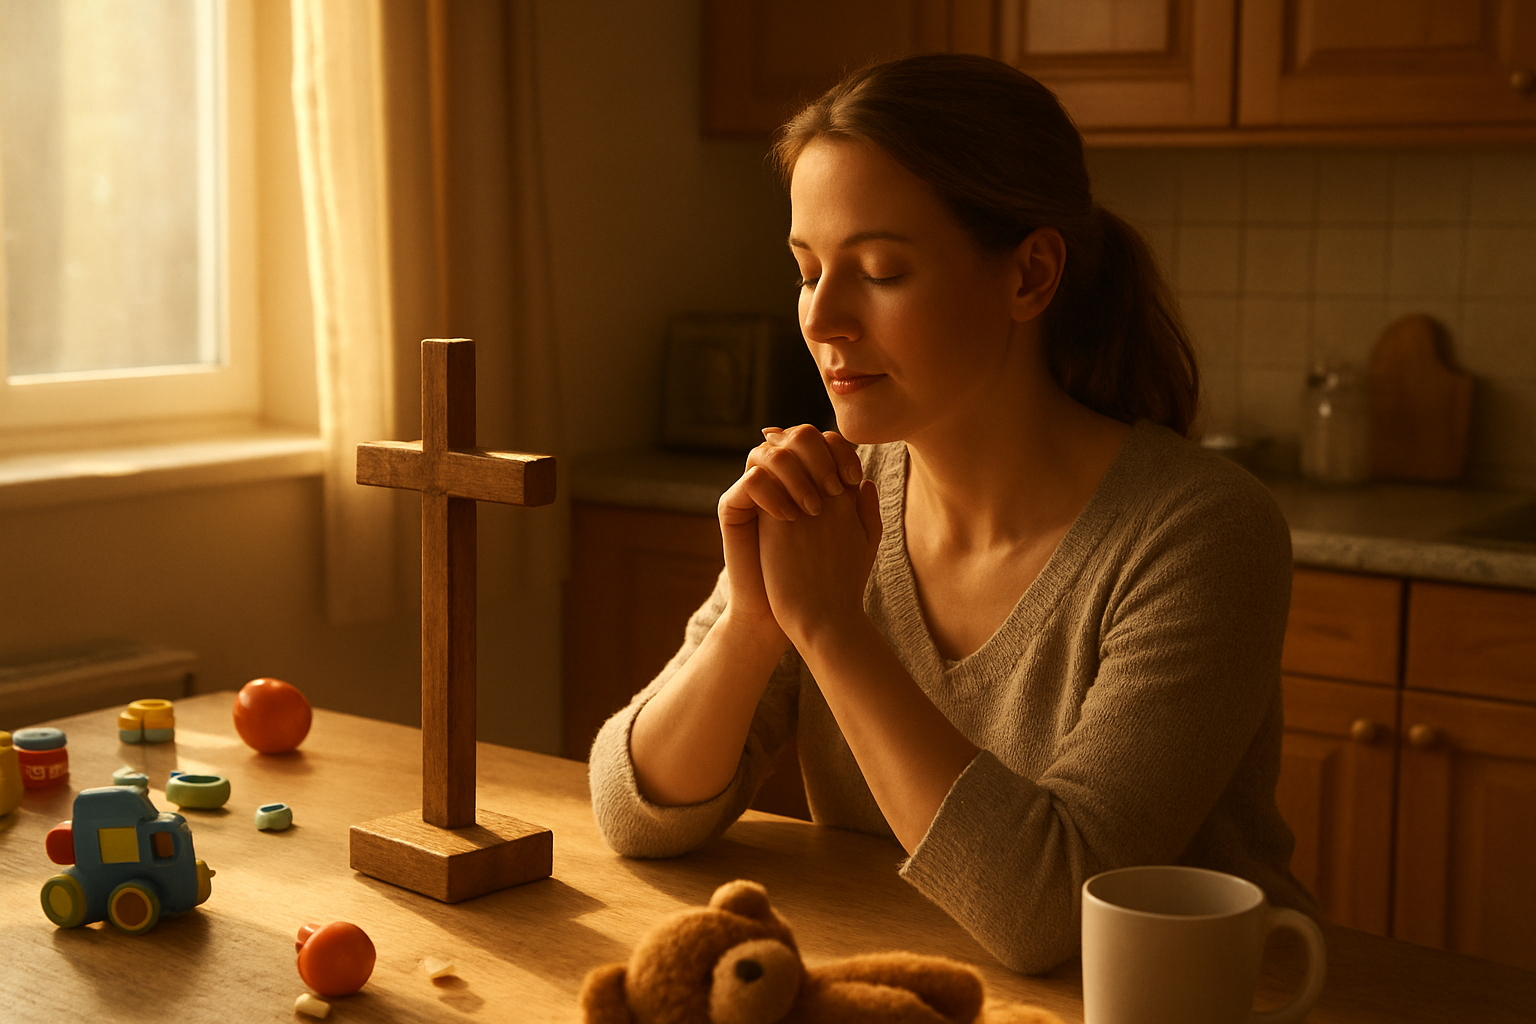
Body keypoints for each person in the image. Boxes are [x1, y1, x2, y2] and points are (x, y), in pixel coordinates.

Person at [589, 53, 1314, 973]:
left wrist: (831, 628)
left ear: (1029, 277)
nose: (822, 318)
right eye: (808, 270)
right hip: (911, 981)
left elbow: (1055, 914)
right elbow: (633, 809)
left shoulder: (1200, 532)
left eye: (881, 271)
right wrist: (753, 622)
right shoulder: (837, 496)